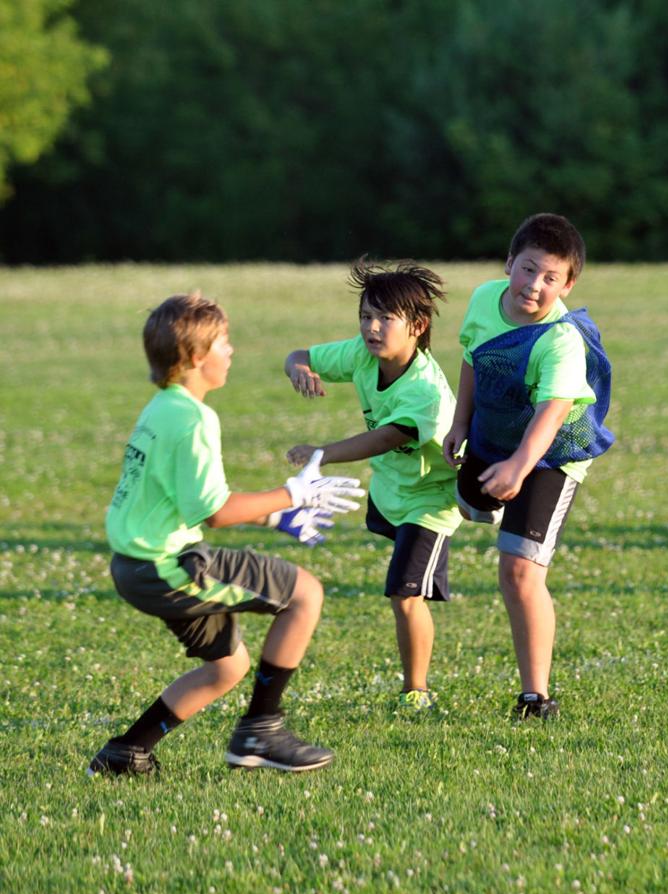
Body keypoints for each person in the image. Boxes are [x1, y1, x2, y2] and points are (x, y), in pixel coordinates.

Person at [89, 292, 364, 776]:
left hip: (134, 566)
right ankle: (261, 731)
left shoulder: (162, 408)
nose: (232, 351)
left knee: (228, 667)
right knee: (305, 594)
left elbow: (190, 500)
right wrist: (292, 495)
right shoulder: (194, 418)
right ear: (197, 357)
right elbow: (214, 512)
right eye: (224, 342)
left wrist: (273, 517)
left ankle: (126, 752)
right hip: (168, 567)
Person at [442, 213, 614, 719]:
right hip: (500, 434)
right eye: (527, 269)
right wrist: (460, 423)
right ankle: (496, 502)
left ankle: (535, 697)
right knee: (471, 506)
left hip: (551, 452)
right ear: (508, 264)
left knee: (518, 570)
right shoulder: (482, 299)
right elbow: (475, 356)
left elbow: (552, 412)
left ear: (568, 284)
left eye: (550, 278)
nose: (534, 286)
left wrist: (519, 466)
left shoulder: (560, 338)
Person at [283, 259, 462, 712]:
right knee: (406, 589)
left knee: (405, 596)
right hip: (390, 493)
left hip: (432, 500)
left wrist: (321, 453)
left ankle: (416, 692)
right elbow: (298, 354)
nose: (372, 327)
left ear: (418, 327)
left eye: (385, 318)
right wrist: (299, 368)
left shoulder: (425, 391)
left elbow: (385, 437)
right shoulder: (365, 355)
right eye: (366, 316)